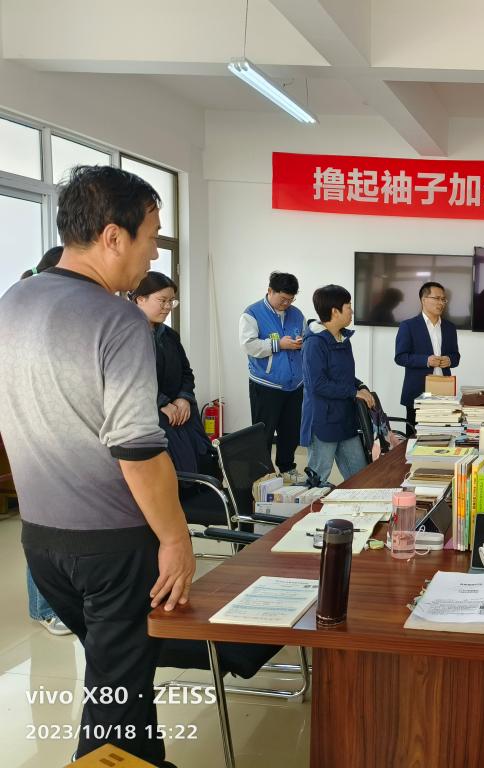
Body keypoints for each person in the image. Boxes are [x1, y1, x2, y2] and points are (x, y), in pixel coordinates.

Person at [0, 165, 194, 766]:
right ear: (114, 236)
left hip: (41, 541)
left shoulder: (14, 301)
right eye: (151, 238)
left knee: (120, 675)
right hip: (112, 545)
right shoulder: (118, 320)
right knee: (117, 695)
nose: (154, 252)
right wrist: (176, 538)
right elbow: (137, 449)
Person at [17, 247, 72, 637]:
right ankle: (43, 607)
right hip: (34, 438)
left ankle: (56, 600)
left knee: (56, 523)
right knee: (42, 524)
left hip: (57, 435)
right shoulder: (25, 316)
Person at [129, 271, 219, 477]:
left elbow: (186, 372)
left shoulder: (169, 335)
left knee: (203, 459)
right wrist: (161, 403)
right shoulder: (127, 335)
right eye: (162, 300)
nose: (168, 307)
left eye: (171, 301)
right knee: (174, 468)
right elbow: (130, 380)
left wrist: (184, 398)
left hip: (180, 411)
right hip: (149, 415)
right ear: (140, 299)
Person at [300, 285, 376, 482]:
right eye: (348, 306)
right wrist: (353, 392)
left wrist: (360, 387)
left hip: (345, 417)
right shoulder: (314, 343)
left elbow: (344, 376)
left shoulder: (343, 338)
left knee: (360, 475)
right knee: (318, 480)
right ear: (335, 311)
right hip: (323, 420)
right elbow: (318, 384)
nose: (352, 311)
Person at [240, 271, 305, 474]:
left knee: (290, 432)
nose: (287, 303)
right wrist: (278, 344)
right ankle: (261, 474)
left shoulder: (297, 314)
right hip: (266, 384)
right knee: (263, 433)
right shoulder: (252, 313)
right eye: (283, 298)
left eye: (291, 299)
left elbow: (305, 337)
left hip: (294, 385)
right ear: (270, 291)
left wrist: (302, 342)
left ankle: (287, 469)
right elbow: (249, 345)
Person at [395, 281, 461, 434]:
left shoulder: (449, 327)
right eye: (437, 298)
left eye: (443, 299)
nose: (441, 303)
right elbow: (400, 357)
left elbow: (456, 356)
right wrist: (426, 360)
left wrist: (449, 360)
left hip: (444, 393)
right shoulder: (408, 326)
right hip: (418, 393)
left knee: (444, 436)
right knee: (415, 439)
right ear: (424, 300)